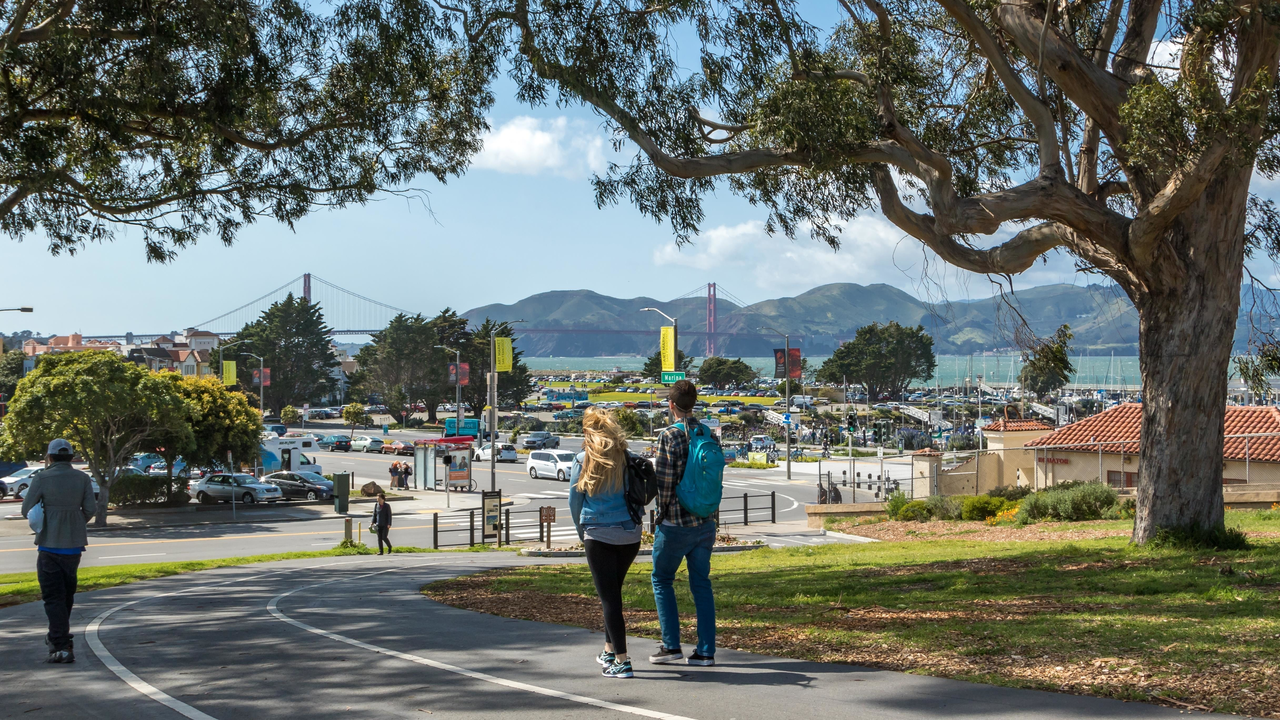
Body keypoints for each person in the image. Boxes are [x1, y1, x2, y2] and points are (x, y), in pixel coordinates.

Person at [569, 407, 642, 679]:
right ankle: (609, 650)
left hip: (598, 533)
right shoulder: (626, 457)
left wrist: (581, 532)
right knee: (611, 593)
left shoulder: (583, 459)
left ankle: (622, 661)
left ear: (588, 431)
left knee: (610, 599)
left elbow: (574, 502)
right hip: (629, 533)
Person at [650, 379, 717, 667]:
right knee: (701, 583)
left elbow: (664, 483)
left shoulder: (669, 436)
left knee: (662, 579)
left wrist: (660, 515)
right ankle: (705, 651)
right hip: (704, 521)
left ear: (671, 404)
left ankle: (671, 645)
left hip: (676, 523)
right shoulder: (707, 432)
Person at [21, 439, 95, 664]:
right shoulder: (82, 478)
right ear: (71, 457)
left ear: (49, 457)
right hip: (74, 547)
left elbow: (26, 510)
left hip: (49, 546)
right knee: (66, 595)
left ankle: (61, 644)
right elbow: (90, 509)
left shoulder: (42, 478)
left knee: (53, 597)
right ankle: (57, 637)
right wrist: (73, 521)